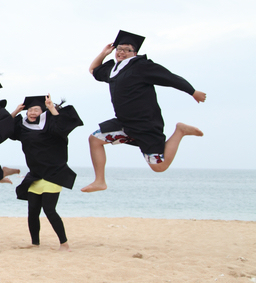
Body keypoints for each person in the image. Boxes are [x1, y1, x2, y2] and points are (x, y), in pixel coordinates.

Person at [83, 30, 207, 192]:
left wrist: (192, 91)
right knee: (95, 139)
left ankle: (180, 130)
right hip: (124, 124)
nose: (122, 52)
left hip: (145, 125)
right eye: (119, 49)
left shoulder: (141, 66)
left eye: (127, 50)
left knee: (159, 167)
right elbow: (93, 70)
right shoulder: (114, 70)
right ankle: (100, 181)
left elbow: (170, 77)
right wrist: (103, 53)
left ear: (134, 53)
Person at [10, 95, 83, 252]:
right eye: (29, 109)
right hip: (35, 174)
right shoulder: (23, 128)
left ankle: (64, 244)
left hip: (53, 173)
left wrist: (51, 108)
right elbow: (6, 128)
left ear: (42, 112)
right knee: (33, 211)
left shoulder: (51, 125)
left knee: (49, 209)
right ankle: (35, 243)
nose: (32, 112)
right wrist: (16, 111)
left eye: (36, 109)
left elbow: (63, 127)